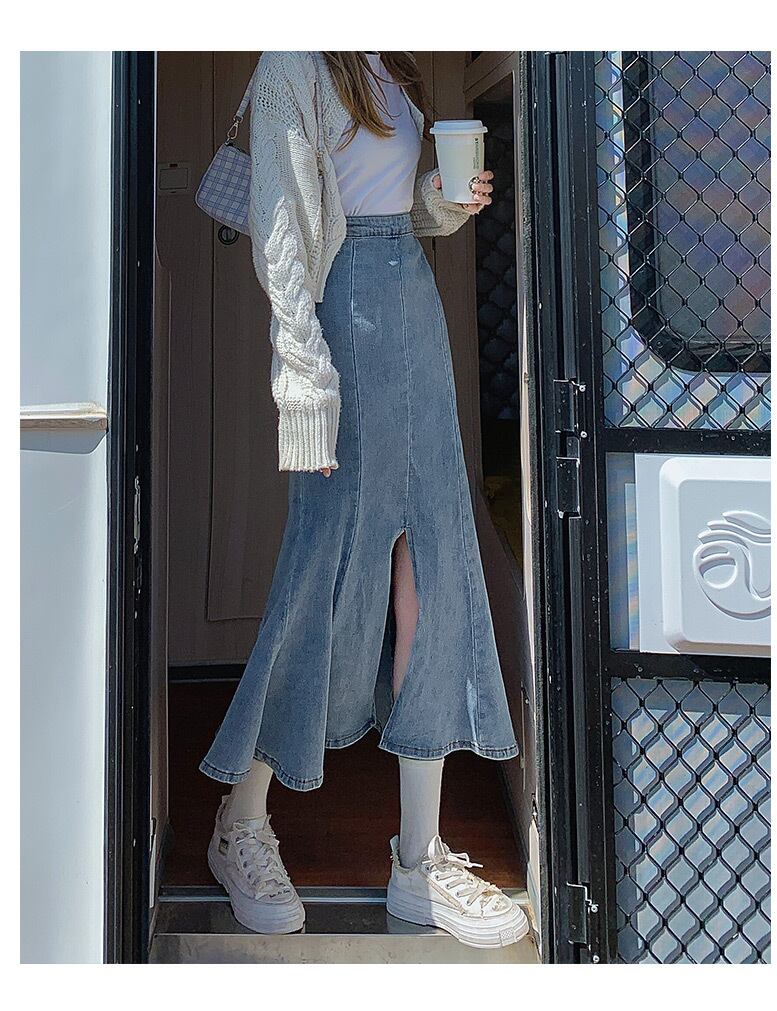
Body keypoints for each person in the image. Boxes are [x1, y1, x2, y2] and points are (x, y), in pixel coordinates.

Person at [199, 50, 528, 949]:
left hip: (411, 301)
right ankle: (240, 821)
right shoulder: (295, 61)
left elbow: (394, 209)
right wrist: (304, 381)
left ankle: (419, 860)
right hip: (339, 312)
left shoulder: (394, 61)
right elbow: (283, 234)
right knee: (324, 572)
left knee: (433, 569)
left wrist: (444, 203)